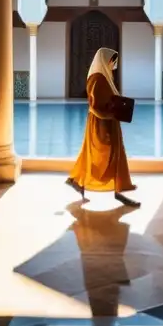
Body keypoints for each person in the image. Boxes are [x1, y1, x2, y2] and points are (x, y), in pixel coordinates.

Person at [66, 48, 140, 207]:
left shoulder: (106, 77)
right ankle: (80, 181)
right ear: (104, 60)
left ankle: (116, 189)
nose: (114, 64)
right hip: (101, 124)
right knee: (102, 156)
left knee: (110, 155)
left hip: (109, 123)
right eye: (112, 60)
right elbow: (95, 107)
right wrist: (111, 114)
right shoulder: (97, 79)